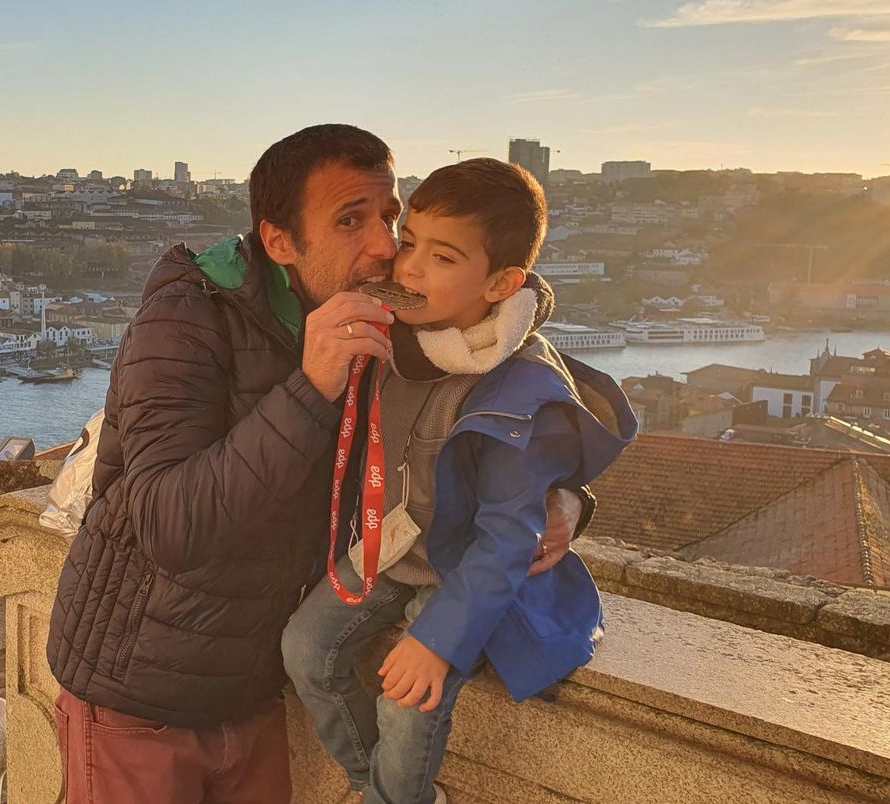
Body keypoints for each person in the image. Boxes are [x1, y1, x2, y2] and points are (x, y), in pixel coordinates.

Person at [46, 126, 597, 803]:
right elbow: (169, 527)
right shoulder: (186, 320)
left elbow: (509, 391)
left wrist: (565, 499)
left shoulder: (390, 317)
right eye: (349, 221)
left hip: (253, 690)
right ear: (279, 242)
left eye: (391, 217)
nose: (384, 247)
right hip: (139, 696)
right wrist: (312, 388)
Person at [281, 159, 637, 804]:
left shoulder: (516, 385)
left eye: (442, 258)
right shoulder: (395, 340)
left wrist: (438, 640)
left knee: (409, 703)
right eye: (409, 243)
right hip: (391, 549)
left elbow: (507, 536)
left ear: (502, 283)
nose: (409, 268)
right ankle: (377, 790)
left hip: (462, 569)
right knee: (305, 650)